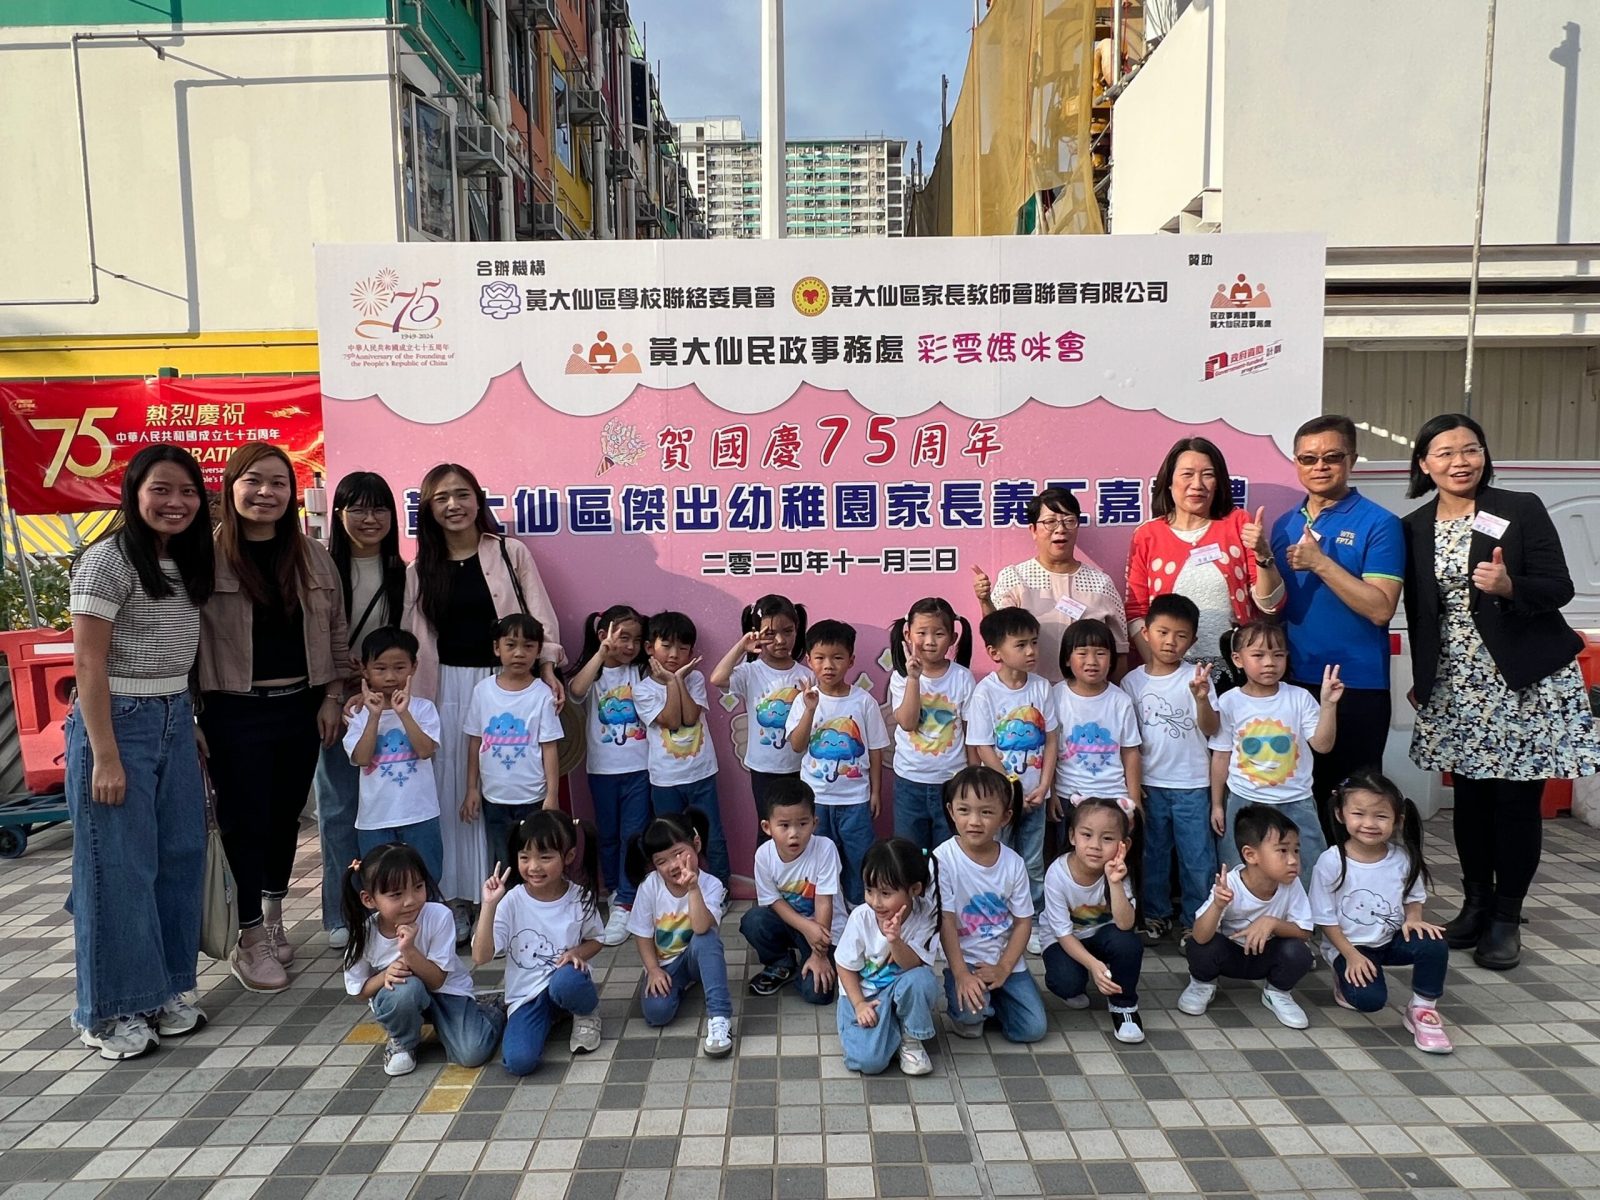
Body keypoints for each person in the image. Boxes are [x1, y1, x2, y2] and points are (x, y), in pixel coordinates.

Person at [1402, 412, 1600, 971]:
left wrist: (1511, 586)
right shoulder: (1414, 526)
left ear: (1485, 455)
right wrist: (1424, 677)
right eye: (1444, 453)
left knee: (1515, 802)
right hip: (1458, 682)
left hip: (1524, 681)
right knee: (1470, 800)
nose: (1459, 461)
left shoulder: (1519, 508)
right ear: (1424, 464)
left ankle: (1507, 916)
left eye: (1470, 449)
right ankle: (1475, 905)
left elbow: (1559, 587)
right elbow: (1421, 612)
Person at [66, 445, 214, 1060]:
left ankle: (167, 989)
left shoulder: (184, 558)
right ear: (134, 493)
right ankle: (110, 1011)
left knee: (179, 855)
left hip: (173, 716)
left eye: (187, 491)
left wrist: (187, 720)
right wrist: (104, 754)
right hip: (117, 722)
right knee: (118, 869)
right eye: (161, 489)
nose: (175, 502)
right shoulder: (107, 559)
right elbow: (87, 663)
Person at [199, 442, 348, 993]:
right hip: (233, 708)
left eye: (279, 483)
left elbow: (337, 629)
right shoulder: (205, 556)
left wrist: (333, 695)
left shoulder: (313, 556)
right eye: (254, 481)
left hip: (301, 705)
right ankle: (248, 936)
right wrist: (192, 714)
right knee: (244, 820)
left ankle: (272, 912)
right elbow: (185, 639)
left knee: (285, 818)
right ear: (231, 487)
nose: (266, 493)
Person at [403, 462, 566, 944]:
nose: (453, 505)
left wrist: (548, 668)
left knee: (505, 788)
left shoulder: (510, 553)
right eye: (440, 498)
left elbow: (540, 616)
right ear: (428, 509)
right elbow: (414, 638)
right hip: (445, 689)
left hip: (506, 686)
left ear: (478, 499)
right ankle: (457, 899)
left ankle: (505, 900)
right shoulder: (419, 570)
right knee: (454, 789)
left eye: (462, 494)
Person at [1269, 416, 1405, 836]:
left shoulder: (1379, 523)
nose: (1320, 466)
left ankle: (1356, 878)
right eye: (1308, 459)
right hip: (1293, 683)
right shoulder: (1283, 525)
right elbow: (1272, 606)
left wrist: (1320, 563)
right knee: (1299, 801)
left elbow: (1381, 608)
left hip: (1356, 685)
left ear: (1352, 460)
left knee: (1356, 804)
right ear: (1296, 462)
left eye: (1332, 457)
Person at [317, 472, 406, 950]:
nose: (370, 519)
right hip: (336, 703)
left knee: (390, 807)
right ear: (338, 514)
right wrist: (336, 688)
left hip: (387, 706)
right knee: (339, 808)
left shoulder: (403, 572)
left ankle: (389, 904)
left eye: (380, 509)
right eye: (358, 509)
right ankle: (341, 911)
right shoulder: (321, 569)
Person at [1309, 770, 1453, 1054]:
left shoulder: (1403, 858)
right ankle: (1342, 977)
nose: (1369, 824)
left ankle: (1423, 1009)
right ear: (1340, 814)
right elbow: (1325, 919)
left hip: (1390, 940)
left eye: (1381, 816)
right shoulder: (1331, 861)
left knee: (1434, 943)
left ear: (1398, 820)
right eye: (1359, 814)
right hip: (1351, 947)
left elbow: (1414, 898)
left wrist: (1414, 920)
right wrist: (1350, 956)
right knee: (1369, 1001)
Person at [341, 843, 504, 1077]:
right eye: (396, 894)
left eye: (418, 887)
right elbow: (357, 990)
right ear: (369, 899)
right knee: (404, 989)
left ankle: (491, 1009)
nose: (410, 900)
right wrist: (384, 976)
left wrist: (409, 951)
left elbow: (437, 980)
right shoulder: (365, 933)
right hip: (404, 996)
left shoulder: (438, 916)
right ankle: (403, 1041)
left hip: (447, 992)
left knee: (472, 1053)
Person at [1125, 437, 1284, 668]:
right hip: (1175, 670)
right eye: (1187, 474)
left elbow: (1271, 604)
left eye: (1208, 475)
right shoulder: (1147, 534)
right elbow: (1136, 611)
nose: (1197, 484)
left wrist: (1263, 555)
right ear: (1168, 482)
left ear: (1218, 482)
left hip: (1236, 667)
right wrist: (1160, 669)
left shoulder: (1238, 523)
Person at [1120, 594, 1220, 943]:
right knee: (1153, 855)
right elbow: (1127, 741)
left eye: (1180, 635)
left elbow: (1211, 729)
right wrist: (1132, 787)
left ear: (1193, 640)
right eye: (1162, 632)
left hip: (1192, 784)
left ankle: (1197, 919)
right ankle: (1155, 915)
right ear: (1146, 633)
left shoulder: (1197, 678)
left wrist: (1201, 698)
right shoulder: (1131, 683)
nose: (1170, 642)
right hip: (1149, 786)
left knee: (1197, 857)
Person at [473, 810, 605, 1074]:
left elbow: (597, 939)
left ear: (568, 856)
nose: (533, 867)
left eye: (545, 858)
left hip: (566, 982)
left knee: (566, 981)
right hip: (527, 995)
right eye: (525, 857)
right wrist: (489, 905)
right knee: (519, 1062)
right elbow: (480, 957)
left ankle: (586, 1012)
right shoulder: (511, 901)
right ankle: (552, 1015)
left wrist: (577, 952)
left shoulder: (579, 897)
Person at [1209, 620, 1342, 871]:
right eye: (1258, 655)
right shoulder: (1229, 701)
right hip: (1244, 802)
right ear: (1238, 659)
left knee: (1307, 872)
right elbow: (1220, 756)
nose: (1270, 662)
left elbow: (1323, 745)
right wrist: (1217, 804)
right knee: (1242, 872)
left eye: (1278, 655)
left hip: (1297, 801)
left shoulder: (1299, 698)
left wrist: (1328, 705)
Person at [935, 766, 1048, 1044]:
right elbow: (945, 920)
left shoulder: (1014, 863)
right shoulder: (942, 859)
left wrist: (1004, 968)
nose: (974, 821)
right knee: (971, 1023)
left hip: (1004, 961)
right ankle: (974, 1001)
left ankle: (998, 997)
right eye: (964, 810)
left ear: (1005, 817)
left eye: (986, 812)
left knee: (1032, 1029)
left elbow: (1023, 922)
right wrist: (961, 973)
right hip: (965, 962)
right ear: (951, 811)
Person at [967, 608, 1060, 940]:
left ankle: (1031, 922)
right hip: (1000, 799)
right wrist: (1011, 787)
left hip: (1036, 797)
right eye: (1021, 645)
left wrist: (1045, 785)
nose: (1031, 651)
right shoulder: (985, 692)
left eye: (1034, 642)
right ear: (995, 653)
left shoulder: (1042, 688)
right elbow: (983, 746)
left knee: (1032, 862)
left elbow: (1051, 739)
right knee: (997, 858)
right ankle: (996, 919)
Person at [972, 488, 1129, 682]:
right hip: (1030, 693)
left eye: (1069, 521)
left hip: (1086, 695)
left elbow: (1120, 651)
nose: (1060, 529)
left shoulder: (1101, 583)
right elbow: (997, 634)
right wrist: (984, 601)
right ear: (1033, 530)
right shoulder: (1015, 577)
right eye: (1050, 522)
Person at [785, 620, 891, 909]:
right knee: (818, 857)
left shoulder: (863, 702)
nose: (828, 665)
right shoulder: (804, 700)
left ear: (851, 660)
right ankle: (825, 909)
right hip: (816, 800)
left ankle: (859, 907)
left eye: (837, 658)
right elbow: (797, 745)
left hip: (855, 800)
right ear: (809, 660)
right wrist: (809, 709)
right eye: (820, 658)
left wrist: (875, 792)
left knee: (859, 856)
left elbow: (876, 750)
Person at [1179, 804, 1314, 1028]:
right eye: (1282, 850)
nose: (1293, 860)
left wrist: (1272, 923)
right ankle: (1202, 984)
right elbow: (1200, 936)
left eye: (1296, 851)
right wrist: (1217, 905)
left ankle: (1277, 992)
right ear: (1250, 855)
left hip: (1264, 955)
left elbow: (1305, 931)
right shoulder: (1230, 884)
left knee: (1298, 951)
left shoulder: (1291, 884)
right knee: (1200, 946)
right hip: (1229, 955)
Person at [567, 605, 650, 946]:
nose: (630, 646)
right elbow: (575, 691)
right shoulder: (595, 674)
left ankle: (626, 901)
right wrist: (601, 654)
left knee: (633, 836)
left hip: (640, 770)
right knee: (608, 836)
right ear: (603, 635)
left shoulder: (640, 672)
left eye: (637, 639)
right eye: (623, 637)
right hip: (602, 771)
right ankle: (615, 891)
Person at [625, 810, 735, 1057]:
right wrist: (653, 970)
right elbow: (642, 935)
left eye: (678, 853)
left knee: (707, 938)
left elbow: (701, 927)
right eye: (661, 861)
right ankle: (682, 983)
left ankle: (720, 1017)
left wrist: (693, 889)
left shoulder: (712, 884)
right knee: (657, 1014)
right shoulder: (649, 885)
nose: (673, 865)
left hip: (696, 954)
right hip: (666, 964)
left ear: (696, 843)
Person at [633, 611, 730, 885]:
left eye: (683, 648)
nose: (674, 654)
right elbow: (672, 721)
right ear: (650, 648)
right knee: (670, 837)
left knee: (712, 834)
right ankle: (677, 886)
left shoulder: (695, 678)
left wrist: (677, 680)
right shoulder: (643, 690)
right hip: (665, 779)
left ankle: (720, 887)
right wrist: (671, 681)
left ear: (691, 653)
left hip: (701, 772)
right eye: (666, 646)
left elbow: (689, 717)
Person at [1041, 796, 1146, 1044]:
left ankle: (1124, 1007)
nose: (1095, 846)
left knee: (1127, 943)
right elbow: (1063, 934)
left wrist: (1115, 882)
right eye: (1086, 835)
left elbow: (1125, 924)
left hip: (1103, 936)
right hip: (1064, 941)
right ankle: (1077, 978)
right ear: (1072, 836)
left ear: (1123, 844)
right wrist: (1093, 965)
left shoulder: (1119, 869)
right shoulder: (1057, 873)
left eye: (1107, 838)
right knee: (1067, 982)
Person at [835, 837, 943, 1077]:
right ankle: (891, 1032)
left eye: (885, 893)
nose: (876, 902)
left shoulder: (926, 916)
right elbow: (844, 966)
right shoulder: (861, 917)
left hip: (901, 987)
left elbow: (913, 964)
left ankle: (911, 1038)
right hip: (864, 993)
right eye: (869, 891)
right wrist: (859, 1004)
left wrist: (895, 940)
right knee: (868, 1062)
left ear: (914, 889)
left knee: (922, 980)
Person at [463, 614, 563, 867]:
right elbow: (475, 742)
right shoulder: (483, 691)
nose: (519, 653)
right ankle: (506, 894)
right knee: (504, 860)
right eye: (510, 645)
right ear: (497, 648)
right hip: (494, 798)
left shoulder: (542, 694)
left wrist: (552, 795)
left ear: (538, 651)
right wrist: (472, 789)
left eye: (528, 646)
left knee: (534, 858)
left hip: (533, 798)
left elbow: (549, 747)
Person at [343, 628, 443, 882]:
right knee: (379, 882)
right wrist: (374, 716)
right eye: (380, 669)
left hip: (420, 814)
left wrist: (403, 713)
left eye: (399, 668)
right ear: (365, 670)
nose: (390, 677)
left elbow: (425, 750)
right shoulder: (358, 714)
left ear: (413, 667)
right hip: (375, 819)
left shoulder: (424, 708)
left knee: (428, 878)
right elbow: (362, 758)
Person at [709, 594, 813, 826]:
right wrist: (742, 646)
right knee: (768, 827)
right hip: (764, 769)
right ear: (756, 633)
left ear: (797, 630)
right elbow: (717, 678)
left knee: (799, 826)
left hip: (802, 766)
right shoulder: (751, 672)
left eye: (788, 631)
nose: (780, 640)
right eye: (770, 633)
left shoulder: (807, 676)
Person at [739, 777, 842, 1003]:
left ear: (815, 823)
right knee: (754, 920)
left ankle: (810, 962)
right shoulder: (764, 855)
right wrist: (806, 927)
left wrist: (819, 954)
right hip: (797, 924)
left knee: (818, 995)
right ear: (767, 827)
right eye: (784, 826)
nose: (794, 833)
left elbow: (824, 901)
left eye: (802, 824)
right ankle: (781, 963)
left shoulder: (825, 849)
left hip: (826, 930)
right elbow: (774, 901)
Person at [887, 597, 977, 851]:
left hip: (951, 783)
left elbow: (971, 734)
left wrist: (972, 777)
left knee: (948, 854)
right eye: (922, 633)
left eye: (939, 634)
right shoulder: (901, 677)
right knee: (909, 854)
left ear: (952, 637)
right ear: (907, 635)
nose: (930, 641)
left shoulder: (962, 677)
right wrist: (913, 679)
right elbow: (907, 722)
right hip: (909, 782)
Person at [1052, 619, 1142, 808]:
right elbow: (1049, 747)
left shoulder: (1120, 700)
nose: (1092, 661)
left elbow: (1130, 752)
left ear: (1112, 659)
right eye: (1082, 653)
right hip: (1067, 795)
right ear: (1067, 658)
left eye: (1100, 653)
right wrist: (1050, 792)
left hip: (1112, 795)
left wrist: (1135, 800)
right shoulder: (1055, 696)